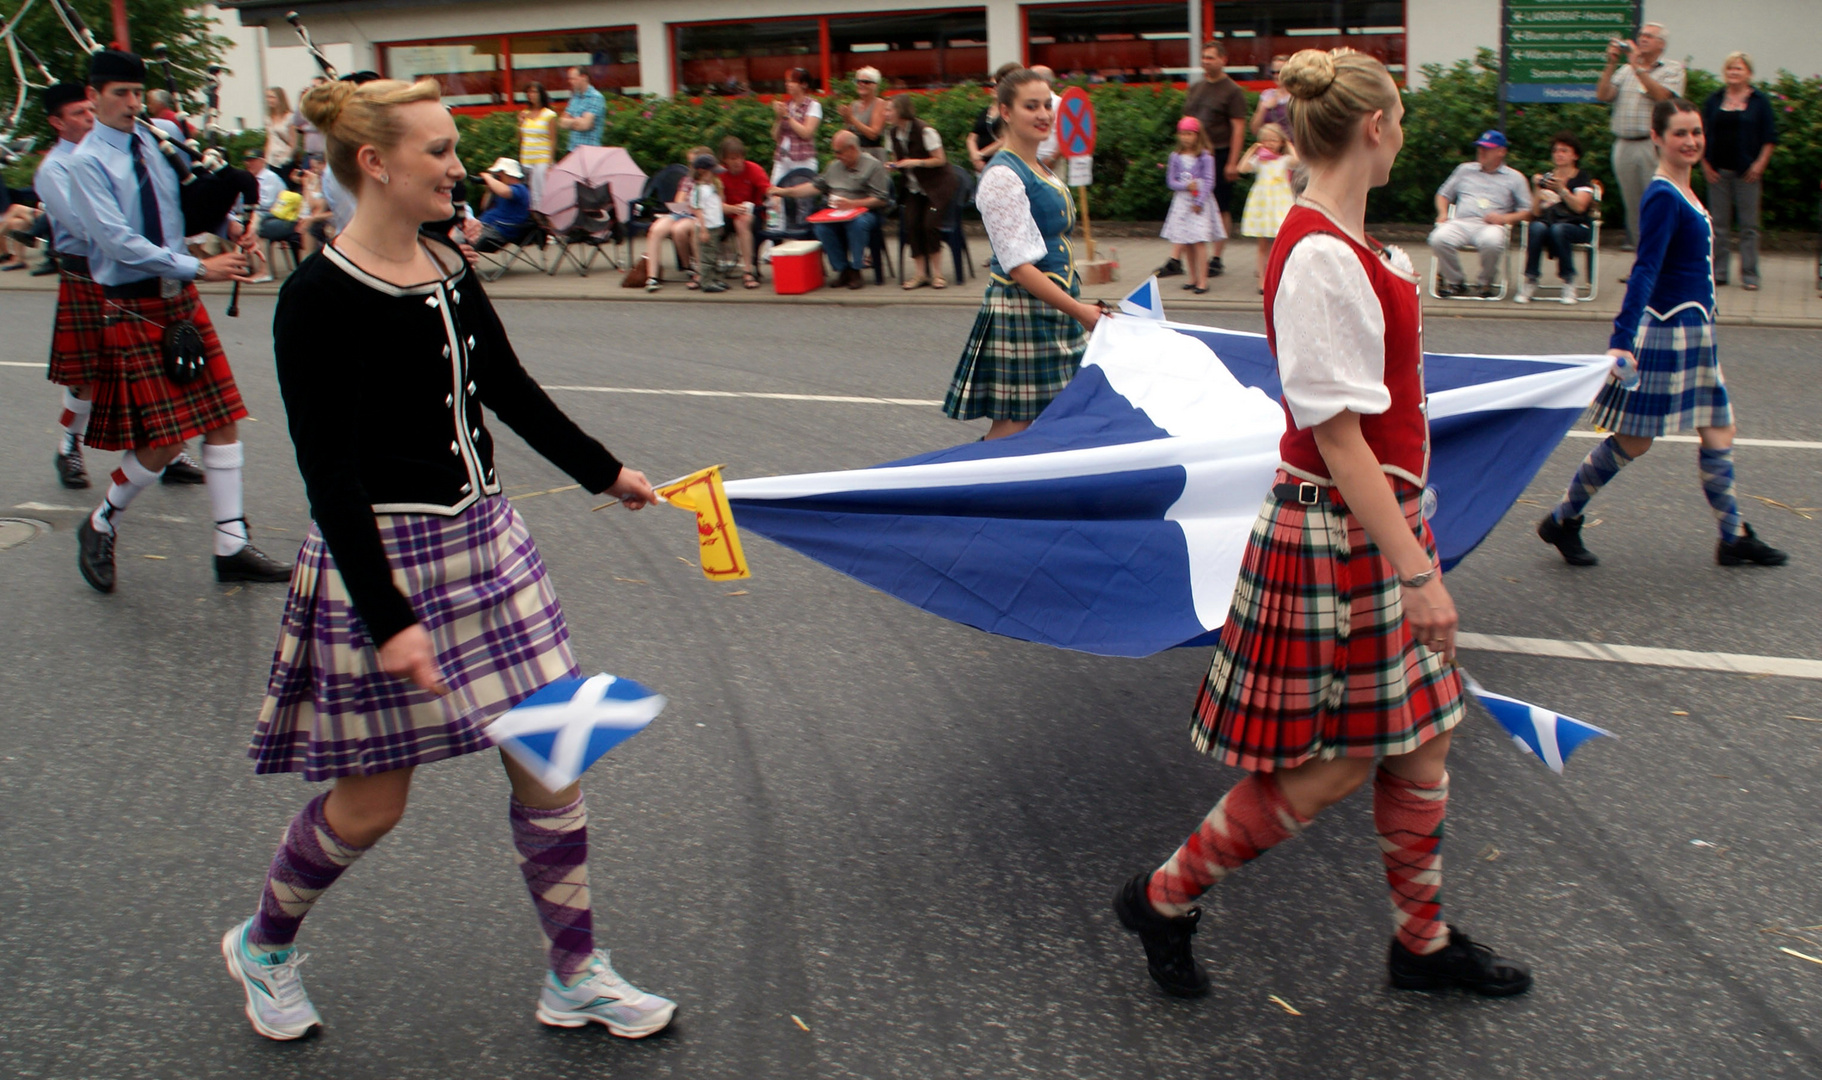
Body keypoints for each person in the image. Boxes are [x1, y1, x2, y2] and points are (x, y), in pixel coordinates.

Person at [229, 74, 675, 1044]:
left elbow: (506, 388)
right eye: (436, 150)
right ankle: (263, 945)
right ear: (373, 164)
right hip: (382, 562)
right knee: (370, 808)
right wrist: (389, 621)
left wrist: (607, 473)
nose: (456, 165)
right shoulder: (314, 298)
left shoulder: (447, 264)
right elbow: (330, 476)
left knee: (549, 759)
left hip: (486, 544)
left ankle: (575, 974)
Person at [1113, 46, 1533, 1003]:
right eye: (1402, 125)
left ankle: (1419, 947)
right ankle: (1162, 898)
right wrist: (1419, 573)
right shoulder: (1315, 256)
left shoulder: (1359, 247)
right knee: (1334, 769)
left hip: (1377, 526)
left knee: (1422, 739)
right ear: (1377, 127)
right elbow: (1339, 440)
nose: (1402, 140)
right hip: (1336, 534)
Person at [63, 49, 288, 593]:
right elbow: (119, 242)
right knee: (164, 442)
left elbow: (180, 210)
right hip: (135, 303)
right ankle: (99, 521)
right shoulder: (85, 163)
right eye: (120, 94)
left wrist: (230, 223)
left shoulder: (151, 141)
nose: (132, 104)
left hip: (177, 300)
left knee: (223, 416)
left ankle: (230, 545)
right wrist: (200, 266)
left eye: (137, 94)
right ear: (94, 96)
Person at [1537, 97, 1787, 570]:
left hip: (1696, 330)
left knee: (1719, 427)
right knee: (1634, 440)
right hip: (1668, 331)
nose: (1691, 141)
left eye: (1696, 132)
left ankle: (1732, 536)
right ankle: (1563, 518)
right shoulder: (1661, 195)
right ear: (1657, 138)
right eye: (1680, 133)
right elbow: (1646, 269)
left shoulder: (1685, 191)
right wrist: (1622, 339)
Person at [943, 68, 1101, 440]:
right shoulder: (1002, 176)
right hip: (1022, 310)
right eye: (1031, 106)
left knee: (1053, 419)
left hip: (1053, 307)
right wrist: (1079, 312)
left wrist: (1077, 307)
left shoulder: (1041, 167)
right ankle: (971, 493)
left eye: (1047, 105)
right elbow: (1019, 266)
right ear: (1006, 112)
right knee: (1015, 428)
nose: (1044, 114)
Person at [36, 81, 104, 489]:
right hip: (87, 271)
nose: (89, 117)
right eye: (79, 113)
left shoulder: (106, 153)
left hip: (126, 268)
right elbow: (85, 226)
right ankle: (68, 445)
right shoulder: (53, 170)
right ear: (57, 122)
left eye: (89, 109)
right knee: (87, 377)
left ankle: (165, 450)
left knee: (145, 365)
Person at [1596, 23, 1684, 251]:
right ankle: (1642, 262)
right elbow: (1603, 94)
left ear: (1661, 44)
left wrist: (1638, 68)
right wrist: (1611, 63)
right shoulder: (1624, 71)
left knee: (1658, 204)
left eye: (1649, 36)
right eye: (1641, 35)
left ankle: (1666, 262)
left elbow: (1664, 98)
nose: (1642, 38)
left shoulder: (1672, 69)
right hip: (1624, 144)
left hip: (1652, 145)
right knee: (1634, 207)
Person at [769, 130, 892, 290]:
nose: (836, 156)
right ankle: (842, 269)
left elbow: (881, 199)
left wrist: (853, 204)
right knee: (821, 227)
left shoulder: (873, 165)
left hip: (865, 212)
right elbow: (814, 187)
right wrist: (785, 192)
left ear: (853, 149)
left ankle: (856, 269)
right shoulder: (834, 167)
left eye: (839, 152)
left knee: (857, 224)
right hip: (836, 213)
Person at [1702, 52, 1776, 291]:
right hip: (1717, 171)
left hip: (1748, 172)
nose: (1734, 73)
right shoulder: (1714, 100)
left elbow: (1769, 137)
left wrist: (1759, 165)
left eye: (1739, 69)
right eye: (1731, 68)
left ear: (1749, 73)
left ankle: (1750, 274)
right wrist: (1705, 165)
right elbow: (1701, 134)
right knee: (1719, 226)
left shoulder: (1759, 101)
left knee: (1749, 227)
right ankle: (1719, 272)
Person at [1426, 130, 1529, 298]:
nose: (1481, 152)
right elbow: (1443, 194)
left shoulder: (1515, 178)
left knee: (1492, 242)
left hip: (1491, 225)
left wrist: (1505, 218)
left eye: (1487, 148)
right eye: (1480, 147)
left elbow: (1527, 211)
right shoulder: (1465, 170)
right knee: (1438, 238)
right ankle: (1455, 281)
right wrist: (1443, 213)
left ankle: (1485, 282)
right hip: (1461, 221)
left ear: (1501, 151)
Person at [1178, 41, 1247, 278]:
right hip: (1194, 155)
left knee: (1220, 205)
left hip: (1220, 152)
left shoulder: (1233, 91)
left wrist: (1232, 162)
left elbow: (1238, 128)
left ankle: (1217, 256)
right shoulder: (1195, 88)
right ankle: (1189, 256)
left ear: (1223, 60)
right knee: (1191, 200)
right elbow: (1186, 122)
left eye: (1211, 58)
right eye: (1204, 57)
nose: (1206, 61)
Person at [1517, 131, 1598, 304]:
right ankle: (1531, 278)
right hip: (1549, 222)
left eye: (1564, 151)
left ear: (1574, 155)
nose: (1558, 154)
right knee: (1537, 227)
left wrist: (1562, 190)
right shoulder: (1548, 178)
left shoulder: (1581, 178)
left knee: (1559, 230)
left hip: (1576, 225)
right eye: (1555, 151)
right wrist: (1537, 189)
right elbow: (1537, 213)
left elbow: (1580, 207)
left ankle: (1569, 280)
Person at [884, 94, 956, 290]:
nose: (886, 113)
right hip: (914, 187)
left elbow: (940, 159)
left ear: (901, 111)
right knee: (911, 224)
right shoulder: (892, 134)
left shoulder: (925, 131)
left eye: (890, 109)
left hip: (937, 186)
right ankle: (920, 274)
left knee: (930, 225)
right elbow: (897, 159)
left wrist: (915, 162)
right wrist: (893, 165)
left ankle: (938, 275)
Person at [636, 145, 710, 293]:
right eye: (690, 163)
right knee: (656, 229)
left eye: (693, 163)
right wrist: (684, 205)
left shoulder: (710, 181)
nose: (691, 167)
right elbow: (679, 200)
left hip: (698, 216)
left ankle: (695, 267)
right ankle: (652, 277)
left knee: (681, 229)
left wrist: (692, 206)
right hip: (681, 213)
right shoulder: (687, 179)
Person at [1238, 122, 1298, 295]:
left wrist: (1289, 145)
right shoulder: (1260, 161)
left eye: (1274, 140)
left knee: (1280, 241)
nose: (1270, 143)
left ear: (1281, 142)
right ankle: (1262, 278)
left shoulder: (1284, 160)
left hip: (1280, 203)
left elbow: (1297, 161)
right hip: (1263, 204)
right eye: (1266, 140)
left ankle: (1279, 276)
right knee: (1262, 244)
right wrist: (1252, 150)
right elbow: (1242, 168)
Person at [1160, 117, 1218, 294]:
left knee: (1199, 241)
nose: (1185, 138)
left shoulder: (1205, 157)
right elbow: (1171, 181)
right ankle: (1192, 277)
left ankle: (1203, 280)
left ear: (1197, 135)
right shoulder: (1175, 157)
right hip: (1182, 202)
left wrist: (1199, 200)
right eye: (1182, 134)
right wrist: (1185, 186)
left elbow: (1209, 180)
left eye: (1189, 134)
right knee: (1186, 241)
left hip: (1199, 203)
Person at [718, 135, 769, 289]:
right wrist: (732, 208)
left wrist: (776, 197)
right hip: (727, 212)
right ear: (725, 160)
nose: (737, 162)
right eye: (733, 159)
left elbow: (767, 189)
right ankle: (703, 270)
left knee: (742, 221)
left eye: (740, 158)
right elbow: (715, 203)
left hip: (752, 213)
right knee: (702, 224)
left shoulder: (753, 169)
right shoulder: (719, 174)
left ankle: (748, 270)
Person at [771, 67, 823, 182]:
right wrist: (779, 117)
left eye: (792, 81)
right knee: (775, 192)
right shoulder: (786, 105)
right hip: (783, 158)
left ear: (803, 84)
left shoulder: (813, 105)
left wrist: (787, 116)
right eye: (787, 81)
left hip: (803, 160)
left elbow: (806, 133)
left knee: (801, 197)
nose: (787, 84)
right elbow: (775, 136)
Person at [687, 153, 729, 293]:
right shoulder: (699, 189)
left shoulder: (711, 186)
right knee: (707, 257)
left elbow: (718, 204)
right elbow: (697, 209)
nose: (714, 175)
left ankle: (714, 278)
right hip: (707, 227)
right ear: (702, 171)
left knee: (715, 254)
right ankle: (706, 281)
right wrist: (703, 229)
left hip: (715, 225)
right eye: (712, 172)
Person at [243, 149, 287, 282]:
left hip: (278, 215)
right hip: (260, 214)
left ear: (262, 161)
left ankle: (265, 271)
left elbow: (265, 203)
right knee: (233, 224)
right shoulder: (249, 178)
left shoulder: (270, 177)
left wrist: (248, 207)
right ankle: (244, 265)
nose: (249, 164)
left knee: (256, 226)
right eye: (247, 161)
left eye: (253, 160)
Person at [968, 63, 1021, 173]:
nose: (994, 88)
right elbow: (972, 137)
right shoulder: (985, 111)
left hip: (1003, 163)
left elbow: (1006, 138)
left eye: (998, 85)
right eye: (991, 85)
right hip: (982, 165)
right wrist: (975, 156)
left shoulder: (1011, 111)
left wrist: (981, 154)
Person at [517, 81, 559, 209]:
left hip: (542, 158)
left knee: (540, 192)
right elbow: (521, 138)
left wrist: (550, 160)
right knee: (528, 193)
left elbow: (553, 139)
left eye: (534, 92)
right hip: (526, 158)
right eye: (529, 92)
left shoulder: (549, 115)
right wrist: (520, 123)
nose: (531, 95)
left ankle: (544, 215)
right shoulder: (525, 113)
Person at [475, 157, 532, 249]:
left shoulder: (520, 189)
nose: (497, 176)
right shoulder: (505, 189)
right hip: (489, 226)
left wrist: (487, 177)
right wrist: (489, 190)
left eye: (499, 174)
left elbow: (505, 192)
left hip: (500, 230)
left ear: (508, 173)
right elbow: (484, 207)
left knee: (460, 240)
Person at [839, 66, 887, 163]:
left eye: (866, 82)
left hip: (873, 154)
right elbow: (849, 130)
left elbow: (873, 134)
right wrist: (845, 117)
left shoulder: (879, 104)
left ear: (875, 85)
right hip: (855, 154)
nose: (861, 84)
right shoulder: (854, 105)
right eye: (858, 81)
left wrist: (851, 119)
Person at [559, 66, 607, 153]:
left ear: (584, 77)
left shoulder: (595, 97)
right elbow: (562, 122)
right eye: (569, 79)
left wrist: (571, 121)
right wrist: (578, 121)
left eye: (574, 79)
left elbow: (585, 125)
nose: (571, 82)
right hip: (572, 149)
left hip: (590, 150)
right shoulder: (574, 97)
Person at [1029, 65, 1063, 169]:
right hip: (1030, 159)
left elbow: (1068, 136)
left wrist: (1053, 158)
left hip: (1051, 161)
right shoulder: (1027, 102)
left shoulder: (1060, 103)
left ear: (1046, 82)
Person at [1250, 54, 1292, 137]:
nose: (1276, 76)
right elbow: (1254, 130)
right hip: (1271, 146)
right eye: (1273, 72)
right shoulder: (1267, 95)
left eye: (1279, 72)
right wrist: (1263, 108)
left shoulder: (1298, 96)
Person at [264, 87, 297, 169]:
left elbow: (293, 142)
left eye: (272, 97)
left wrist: (285, 158)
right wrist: (265, 158)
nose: (269, 100)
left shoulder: (289, 117)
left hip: (284, 160)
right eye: (268, 97)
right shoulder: (268, 118)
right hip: (271, 159)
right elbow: (269, 140)